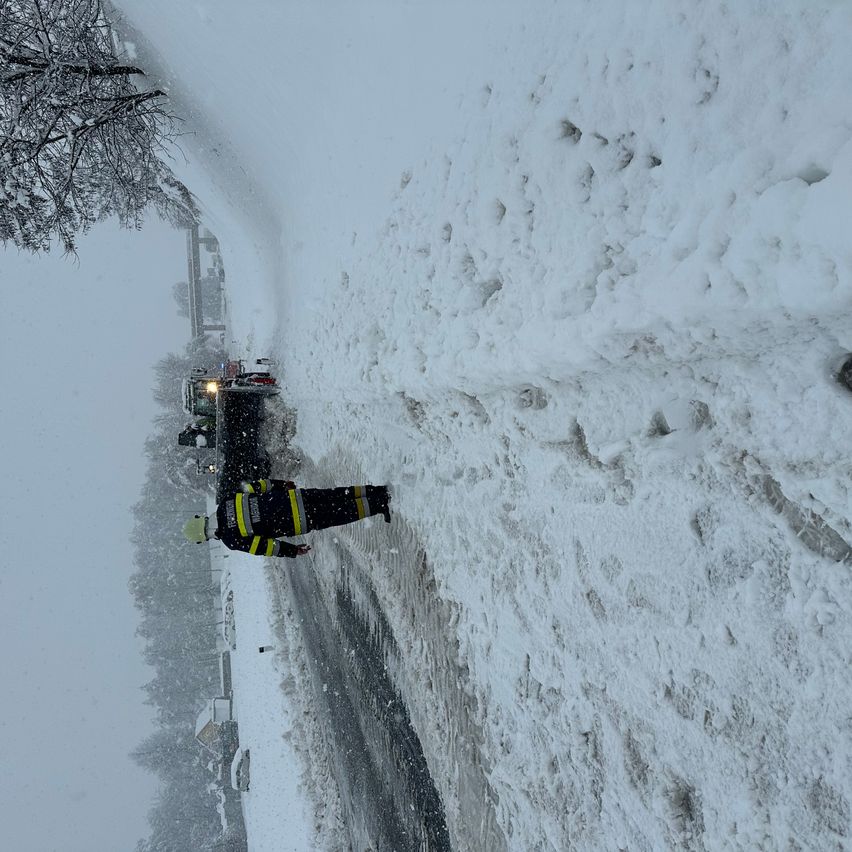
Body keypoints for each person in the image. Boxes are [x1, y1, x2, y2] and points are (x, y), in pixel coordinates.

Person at [183, 478, 391, 558]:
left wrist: (292, 550)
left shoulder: (230, 538)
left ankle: (379, 504)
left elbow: (265, 546)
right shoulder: (227, 501)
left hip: (299, 519)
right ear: (202, 519)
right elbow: (256, 486)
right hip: (295, 497)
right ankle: (375, 490)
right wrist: (281, 484)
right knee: (335, 494)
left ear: (206, 536)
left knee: (341, 513)